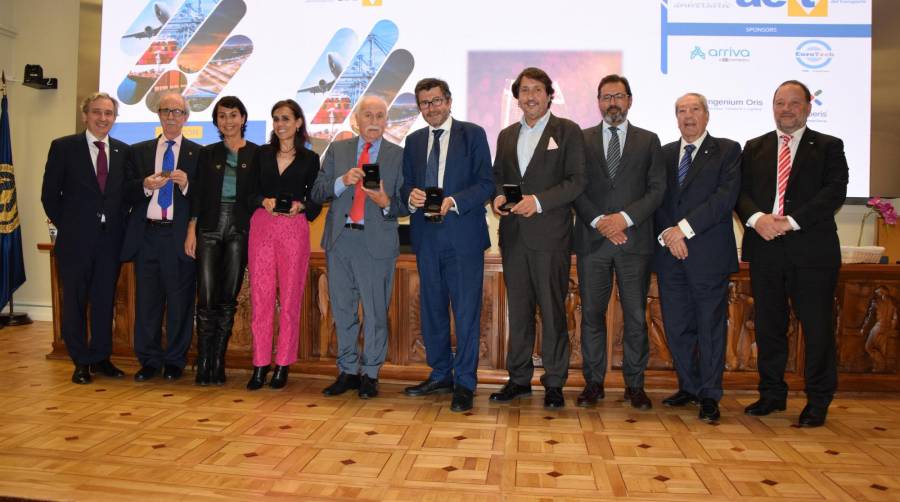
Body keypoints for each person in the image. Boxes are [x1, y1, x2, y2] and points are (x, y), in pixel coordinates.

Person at [736, 80, 848, 427]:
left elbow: (834, 192)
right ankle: (772, 394)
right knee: (769, 325)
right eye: (779, 103)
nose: (786, 109)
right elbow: (739, 192)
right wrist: (756, 220)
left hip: (812, 253)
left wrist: (791, 222)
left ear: (808, 107)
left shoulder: (828, 146)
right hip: (765, 248)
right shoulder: (754, 147)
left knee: (816, 328)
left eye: (793, 103)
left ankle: (818, 400)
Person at [489, 67, 586, 409]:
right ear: (517, 97)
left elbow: (576, 181)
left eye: (537, 90)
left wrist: (539, 202)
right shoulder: (506, 135)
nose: (530, 96)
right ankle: (518, 379)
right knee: (518, 312)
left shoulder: (569, 131)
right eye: (524, 90)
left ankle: (555, 382)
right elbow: (499, 177)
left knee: (552, 311)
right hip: (514, 237)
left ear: (549, 95)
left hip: (551, 237)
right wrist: (498, 199)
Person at [400, 78, 494, 413]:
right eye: (425, 103)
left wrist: (454, 200)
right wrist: (409, 196)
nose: (432, 108)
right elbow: (405, 186)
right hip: (426, 238)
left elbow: (486, 184)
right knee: (432, 310)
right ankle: (440, 373)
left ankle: (465, 383)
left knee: (466, 312)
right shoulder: (412, 141)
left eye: (437, 101)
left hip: (464, 237)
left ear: (449, 101)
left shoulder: (473, 134)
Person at [572, 74, 665, 410]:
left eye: (618, 96)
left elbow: (656, 190)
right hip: (592, 241)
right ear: (598, 102)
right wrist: (600, 222)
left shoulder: (648, 140)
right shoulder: (580, 140)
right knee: (592, 315)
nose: (612, 102)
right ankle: (593, 383)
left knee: (636, 317)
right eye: (606, 97)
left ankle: (635, 385)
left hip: (633, 242)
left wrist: (622, 219)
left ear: (629, 100)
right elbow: (575, 187)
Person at [652, 93, 741, 421]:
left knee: (709, 327)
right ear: (676, 117)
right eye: (681, 111)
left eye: (694, 110)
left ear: (707, 115)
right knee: (676, 326)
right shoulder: (662, 154)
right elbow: (655, 198)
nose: (688, 116)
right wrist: (667, 233)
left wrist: (683, 229)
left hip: (707, 254)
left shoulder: (728, 150)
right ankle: (688, 386)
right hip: (669, 254)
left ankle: (710, 394)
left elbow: (724, 199)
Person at [312, 96, 407, 400]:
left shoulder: (399, 156)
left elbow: (407, 203)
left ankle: (371, 374)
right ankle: (348, 370)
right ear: (357, 120)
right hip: (340, 240)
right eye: (369, 115)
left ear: (387, 121)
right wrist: (342, 181)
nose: (375, 121)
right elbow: (318, 191)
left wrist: (385, 202)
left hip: (375, 242)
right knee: (343, 309)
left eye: (381, 116)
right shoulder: (338, 150)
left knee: (376, 312)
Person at [40, 92, 130, 384]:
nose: (103, 118)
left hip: (110, 242)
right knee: (75, 301)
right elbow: (50, 195)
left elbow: (124, 194)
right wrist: (70, 227)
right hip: (76, 241)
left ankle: (101, 357)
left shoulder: (122, 151)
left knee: (104, 301)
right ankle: (80, 360)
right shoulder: (64, 147)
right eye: (97, 112)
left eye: (108, 113)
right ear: (85, 115)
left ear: (114, 118)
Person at [121, 92, 199, 383]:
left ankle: (174, 361)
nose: (171, 117)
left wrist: (187, 184)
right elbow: (124, 192)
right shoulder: (139, 151)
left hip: (178, 237)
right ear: (158, 114)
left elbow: (203, 199)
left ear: (185, 118)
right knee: (147, 303)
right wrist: (143, 185)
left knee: (180, 303)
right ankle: (149, 360)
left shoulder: (198, 154)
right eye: (166, 111)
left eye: (177, 112)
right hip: (147, 236)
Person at [245, 99, 321, 390]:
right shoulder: (261, 154)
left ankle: (282, 364)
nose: (280, 124)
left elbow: (316, 199)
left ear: (299, 123)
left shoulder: (310, 159)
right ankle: (260, 363)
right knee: (261, 299)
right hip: (262, 227)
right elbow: (248, 193)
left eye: (286, 118)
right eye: (276, 118)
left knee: (289, 300)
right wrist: (261, 200)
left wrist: (301, 207)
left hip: (293, 231)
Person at [186, 96, 259, 386]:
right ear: (216, 122)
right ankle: (204, 362)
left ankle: (218, 361)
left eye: (233, 115)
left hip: (240, 230)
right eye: (221, 116)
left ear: (243, 118)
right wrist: (191, 230)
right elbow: (198, 194)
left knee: (228, 300)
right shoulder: (207, 153)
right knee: (206, 299)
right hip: (208, 228)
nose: (227, 121)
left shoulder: (257, 153)